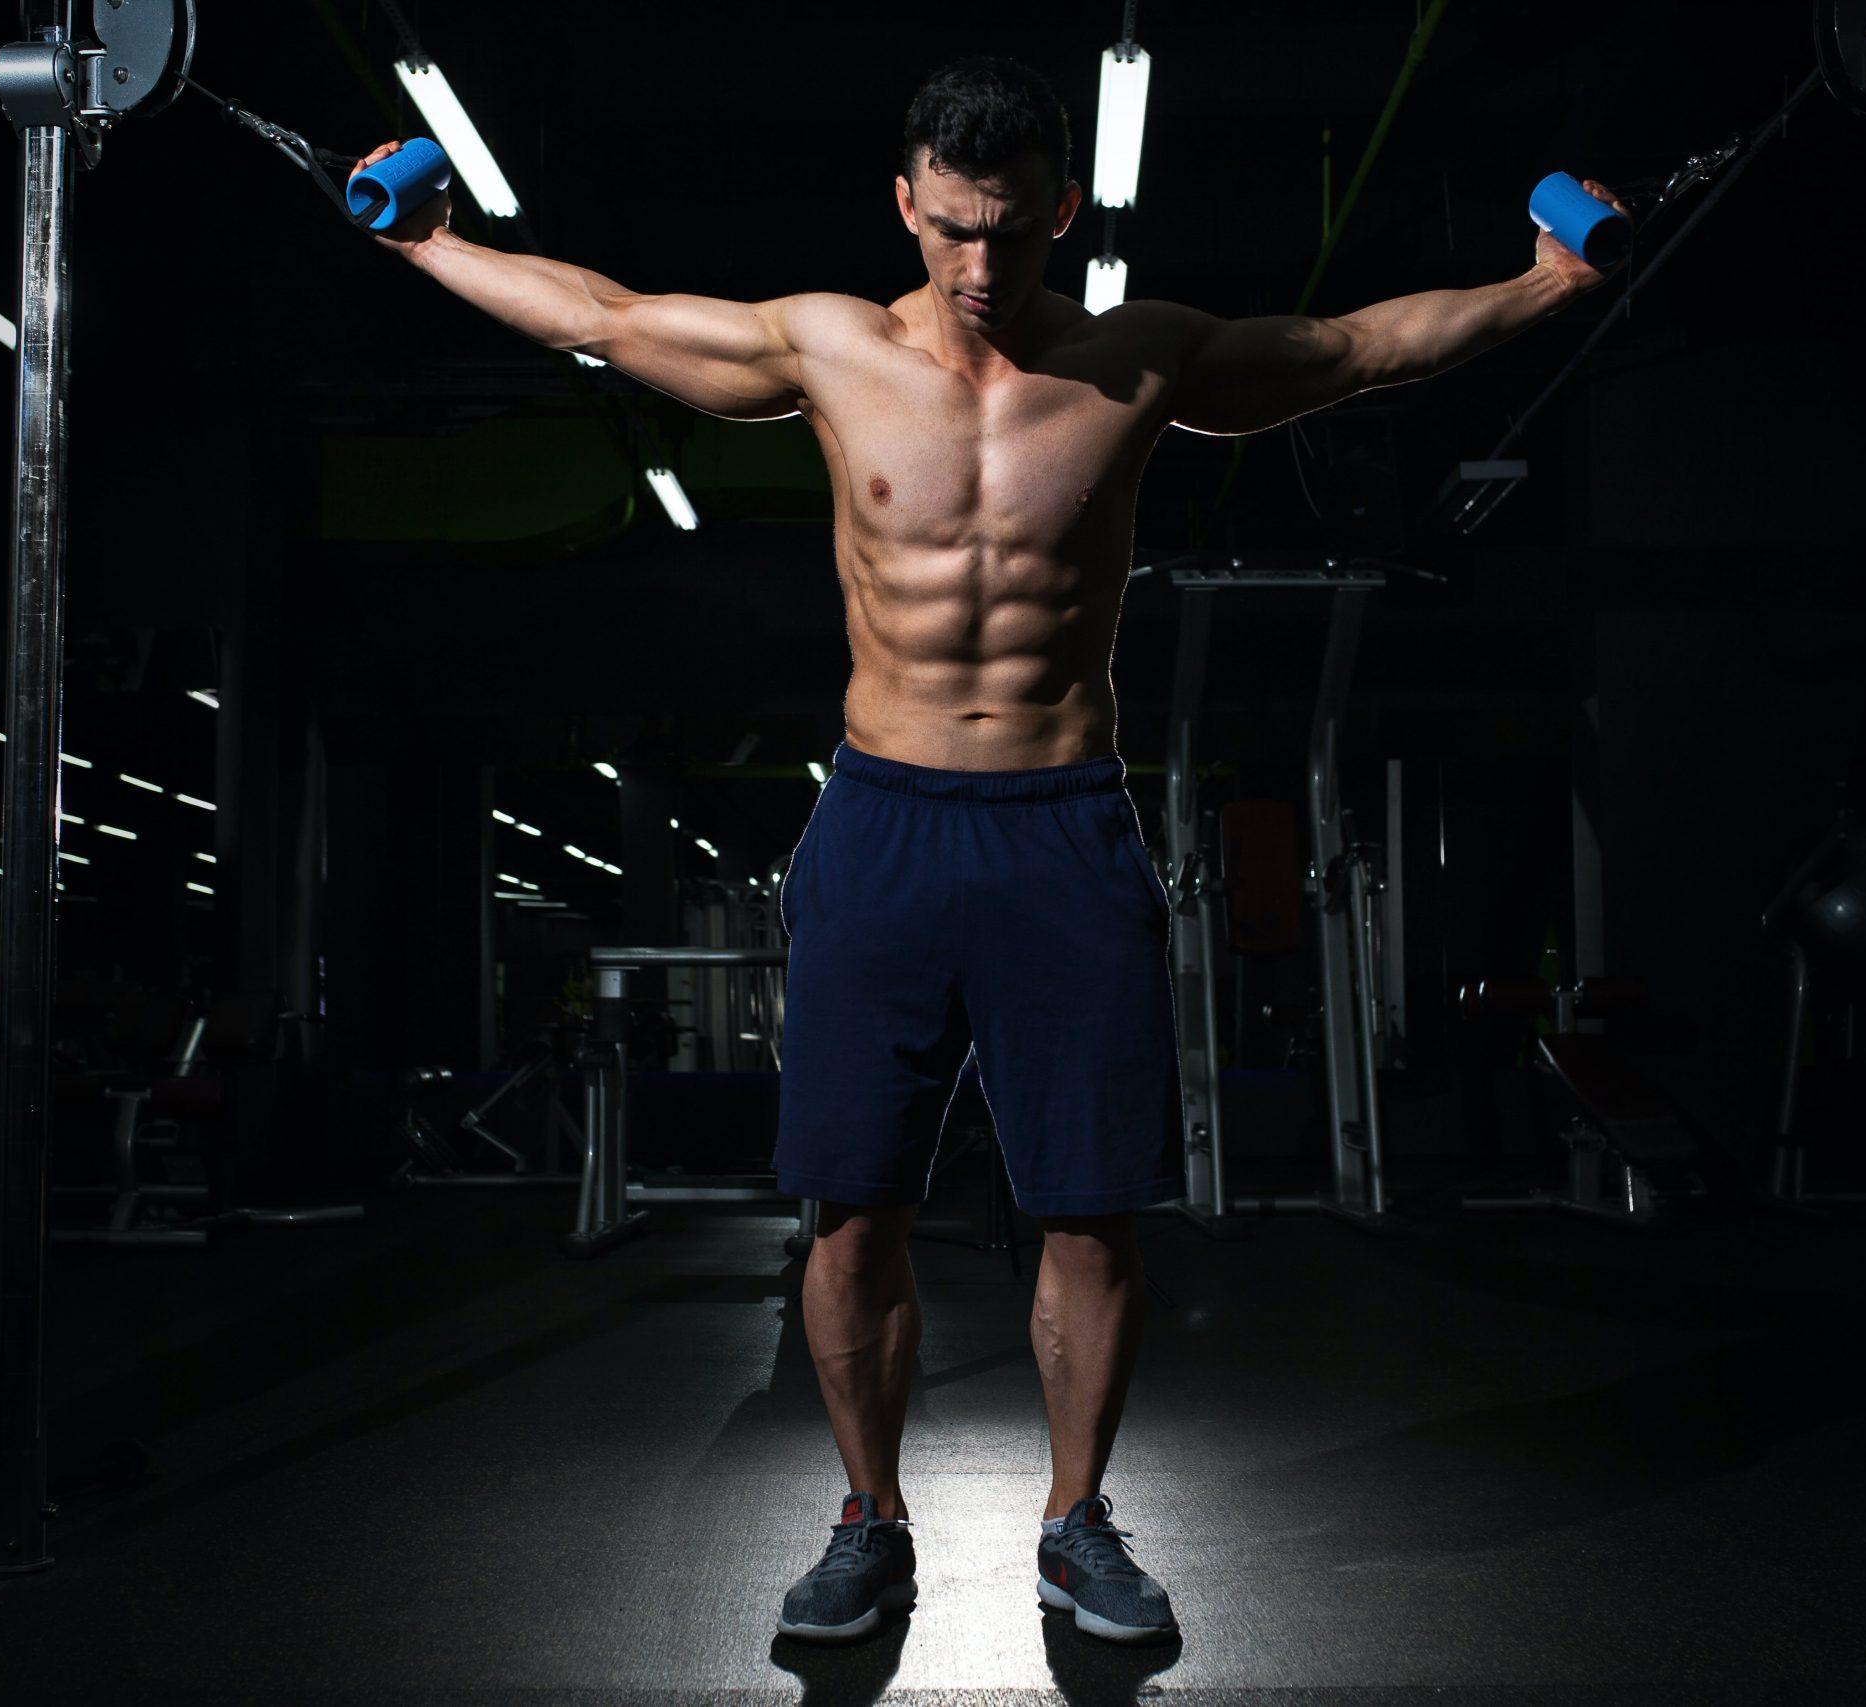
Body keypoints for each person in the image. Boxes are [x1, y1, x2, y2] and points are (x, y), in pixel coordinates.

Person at [356, 54, 1618, 1648]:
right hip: (879, 822)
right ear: (905, 202)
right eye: (950, 228)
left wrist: (1548, 281)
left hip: (1063, 824)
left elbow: (1361, 348)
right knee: (850, 1209)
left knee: (1090, 1212)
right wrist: (430, 247)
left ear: (1062, 215)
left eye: (1010, 235)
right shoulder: (827, 346)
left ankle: (1076, 1519)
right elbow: (607, 315)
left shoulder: (1140, 359)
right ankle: (867, 1520)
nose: (976, 266)